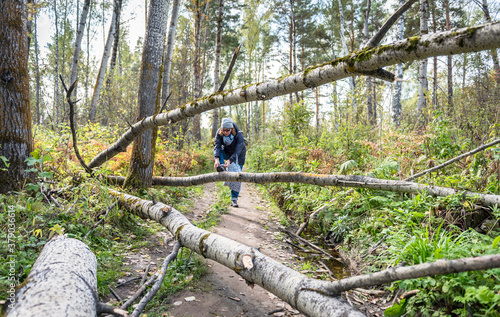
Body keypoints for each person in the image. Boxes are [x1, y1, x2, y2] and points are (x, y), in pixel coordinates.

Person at [213, 118, 246, 207]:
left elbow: (238, 151)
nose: (226, 132)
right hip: (226, 153)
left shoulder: (239, 134)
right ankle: (222, 167)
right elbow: (217, 146)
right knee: (216, 151)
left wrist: (230, 160)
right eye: (224, 130)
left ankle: (234, 199)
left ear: (231, 129)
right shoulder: (219, 133)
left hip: (238, 156)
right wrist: (217, 159)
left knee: (236, 176)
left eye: (228, 130)